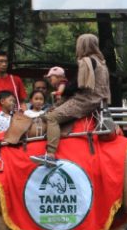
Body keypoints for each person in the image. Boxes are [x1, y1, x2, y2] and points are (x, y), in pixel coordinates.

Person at [31, 35, 110, 165]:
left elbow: (78, 85)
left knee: (51, 117)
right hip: (97, 100)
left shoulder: (87, 61)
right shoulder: (102, 63)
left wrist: (63, 89)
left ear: (83, 45)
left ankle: (50, 154)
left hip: (85, 100)